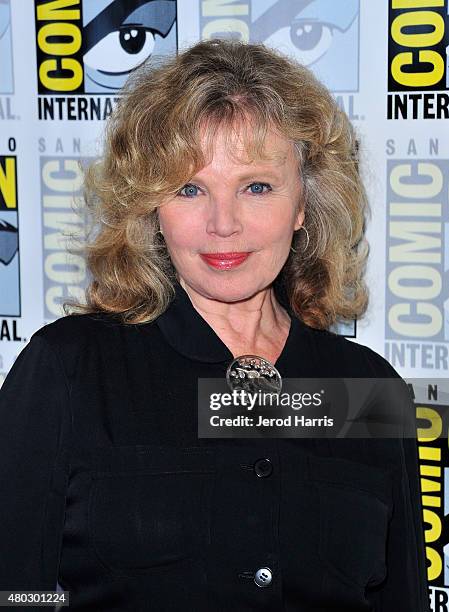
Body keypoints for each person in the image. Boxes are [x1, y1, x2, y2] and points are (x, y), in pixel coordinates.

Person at [0, 39, 428, 611]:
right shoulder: (71, 369)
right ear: (151, 207)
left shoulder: (368, 391)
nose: (222, 224)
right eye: (189, 188)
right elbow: (13, 590)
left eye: (256, 187)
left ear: (303, 204)